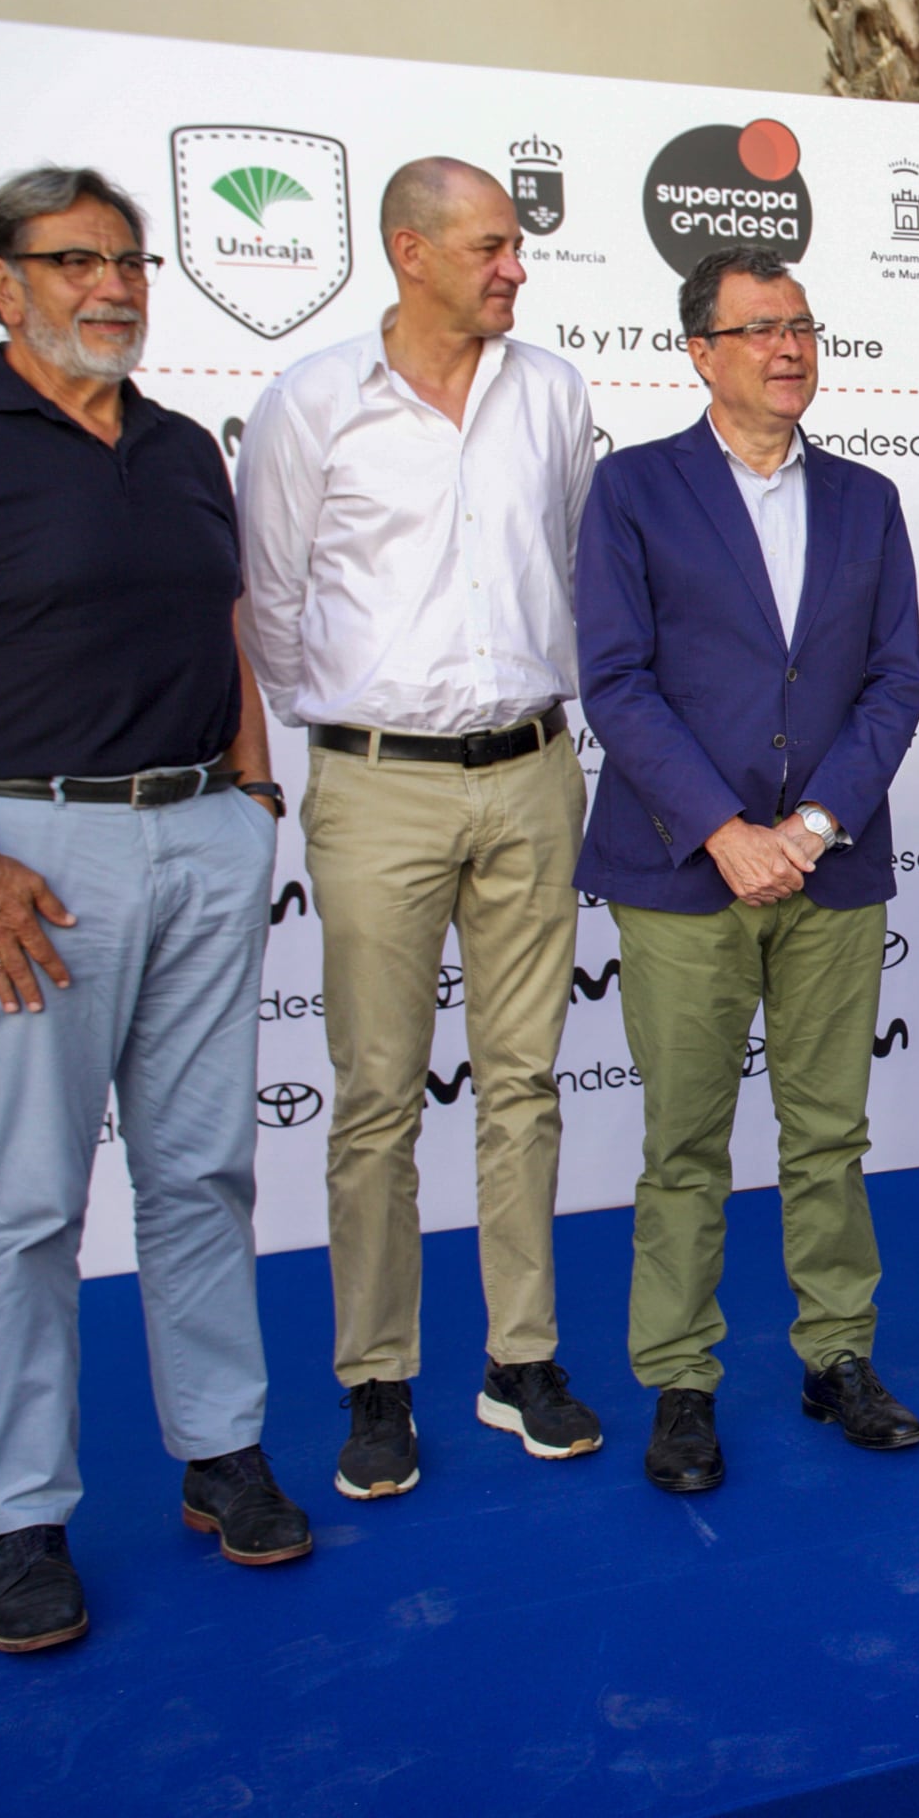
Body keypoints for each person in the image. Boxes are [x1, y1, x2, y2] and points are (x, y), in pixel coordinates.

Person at [0, 166, 310, 1655]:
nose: (114, 286)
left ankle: (221, 1453)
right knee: (28, 1206)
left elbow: (226, 626)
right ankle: (24, 1519)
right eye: (76, 260)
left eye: (131, 261)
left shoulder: (175, 449)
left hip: (200, 839)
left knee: (204, 1172)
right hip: (26, 864)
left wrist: (252, 792)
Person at [237, 157, 601, 1499]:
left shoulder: (553, 392)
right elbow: (273, 604)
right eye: (493, 246)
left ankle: (521, 1362)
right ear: (411, 251)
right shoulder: (310, 404)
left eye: (515, 247)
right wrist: (360, 720)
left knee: (523, 1085)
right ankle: (375, 1379)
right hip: (374, 782)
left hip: (530, 773)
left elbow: (573, 566)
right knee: (378, 1095)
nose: (515, 266)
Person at [574, 245, 919, 1492]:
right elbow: (614, 679)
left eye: (804, 325)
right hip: (682, 871)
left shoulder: (868, 499)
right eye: (761, 326)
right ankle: (680, 1377)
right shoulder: (633, 490)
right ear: (701, 351)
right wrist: (726, 828)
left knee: (829, 1132)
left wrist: (818, 822)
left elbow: (898, 680)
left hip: (829, 871)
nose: (790, 346)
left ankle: (839, 1354)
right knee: (686, 1139)